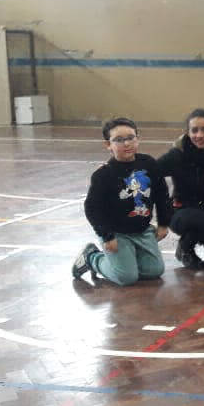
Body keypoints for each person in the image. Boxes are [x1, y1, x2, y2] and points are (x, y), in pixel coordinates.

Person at [72, 117, 172, 286]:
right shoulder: (103, 175)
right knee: (126, 277)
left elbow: (162, 194)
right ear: (108, 144)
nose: (126, 144)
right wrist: (107, 236)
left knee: (154, 271)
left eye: (130, 138)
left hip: (142, 230)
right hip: (116, 233)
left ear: (138, 138)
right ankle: (92, 258)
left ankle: (128, 259)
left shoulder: (149, 164)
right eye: (119, 140)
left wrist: (163, 223)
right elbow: (92, 209)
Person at [157, 108, 204, 270]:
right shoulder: (178, 155)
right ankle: (185, 249)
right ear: (187, 132)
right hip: (182, 210)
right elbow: (151, 171)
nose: (199, 135)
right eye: (194, 130)